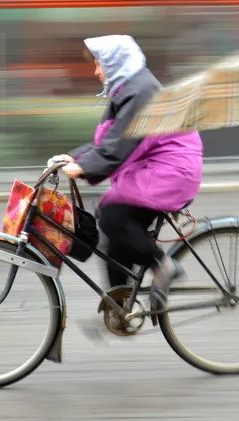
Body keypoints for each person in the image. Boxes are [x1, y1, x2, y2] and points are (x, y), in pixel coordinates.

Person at [51, 35, 203, 309]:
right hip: (158, 167)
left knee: (112, 216)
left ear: (115, 63)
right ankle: (120, 303)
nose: (97, 72)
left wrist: (84, 167)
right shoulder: (129, 89)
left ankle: (163, 264)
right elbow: (109, 140)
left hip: (172, 170)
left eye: (100, 65)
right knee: (114, 228)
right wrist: (73, 157)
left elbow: (120, 145)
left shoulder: (140, 91)